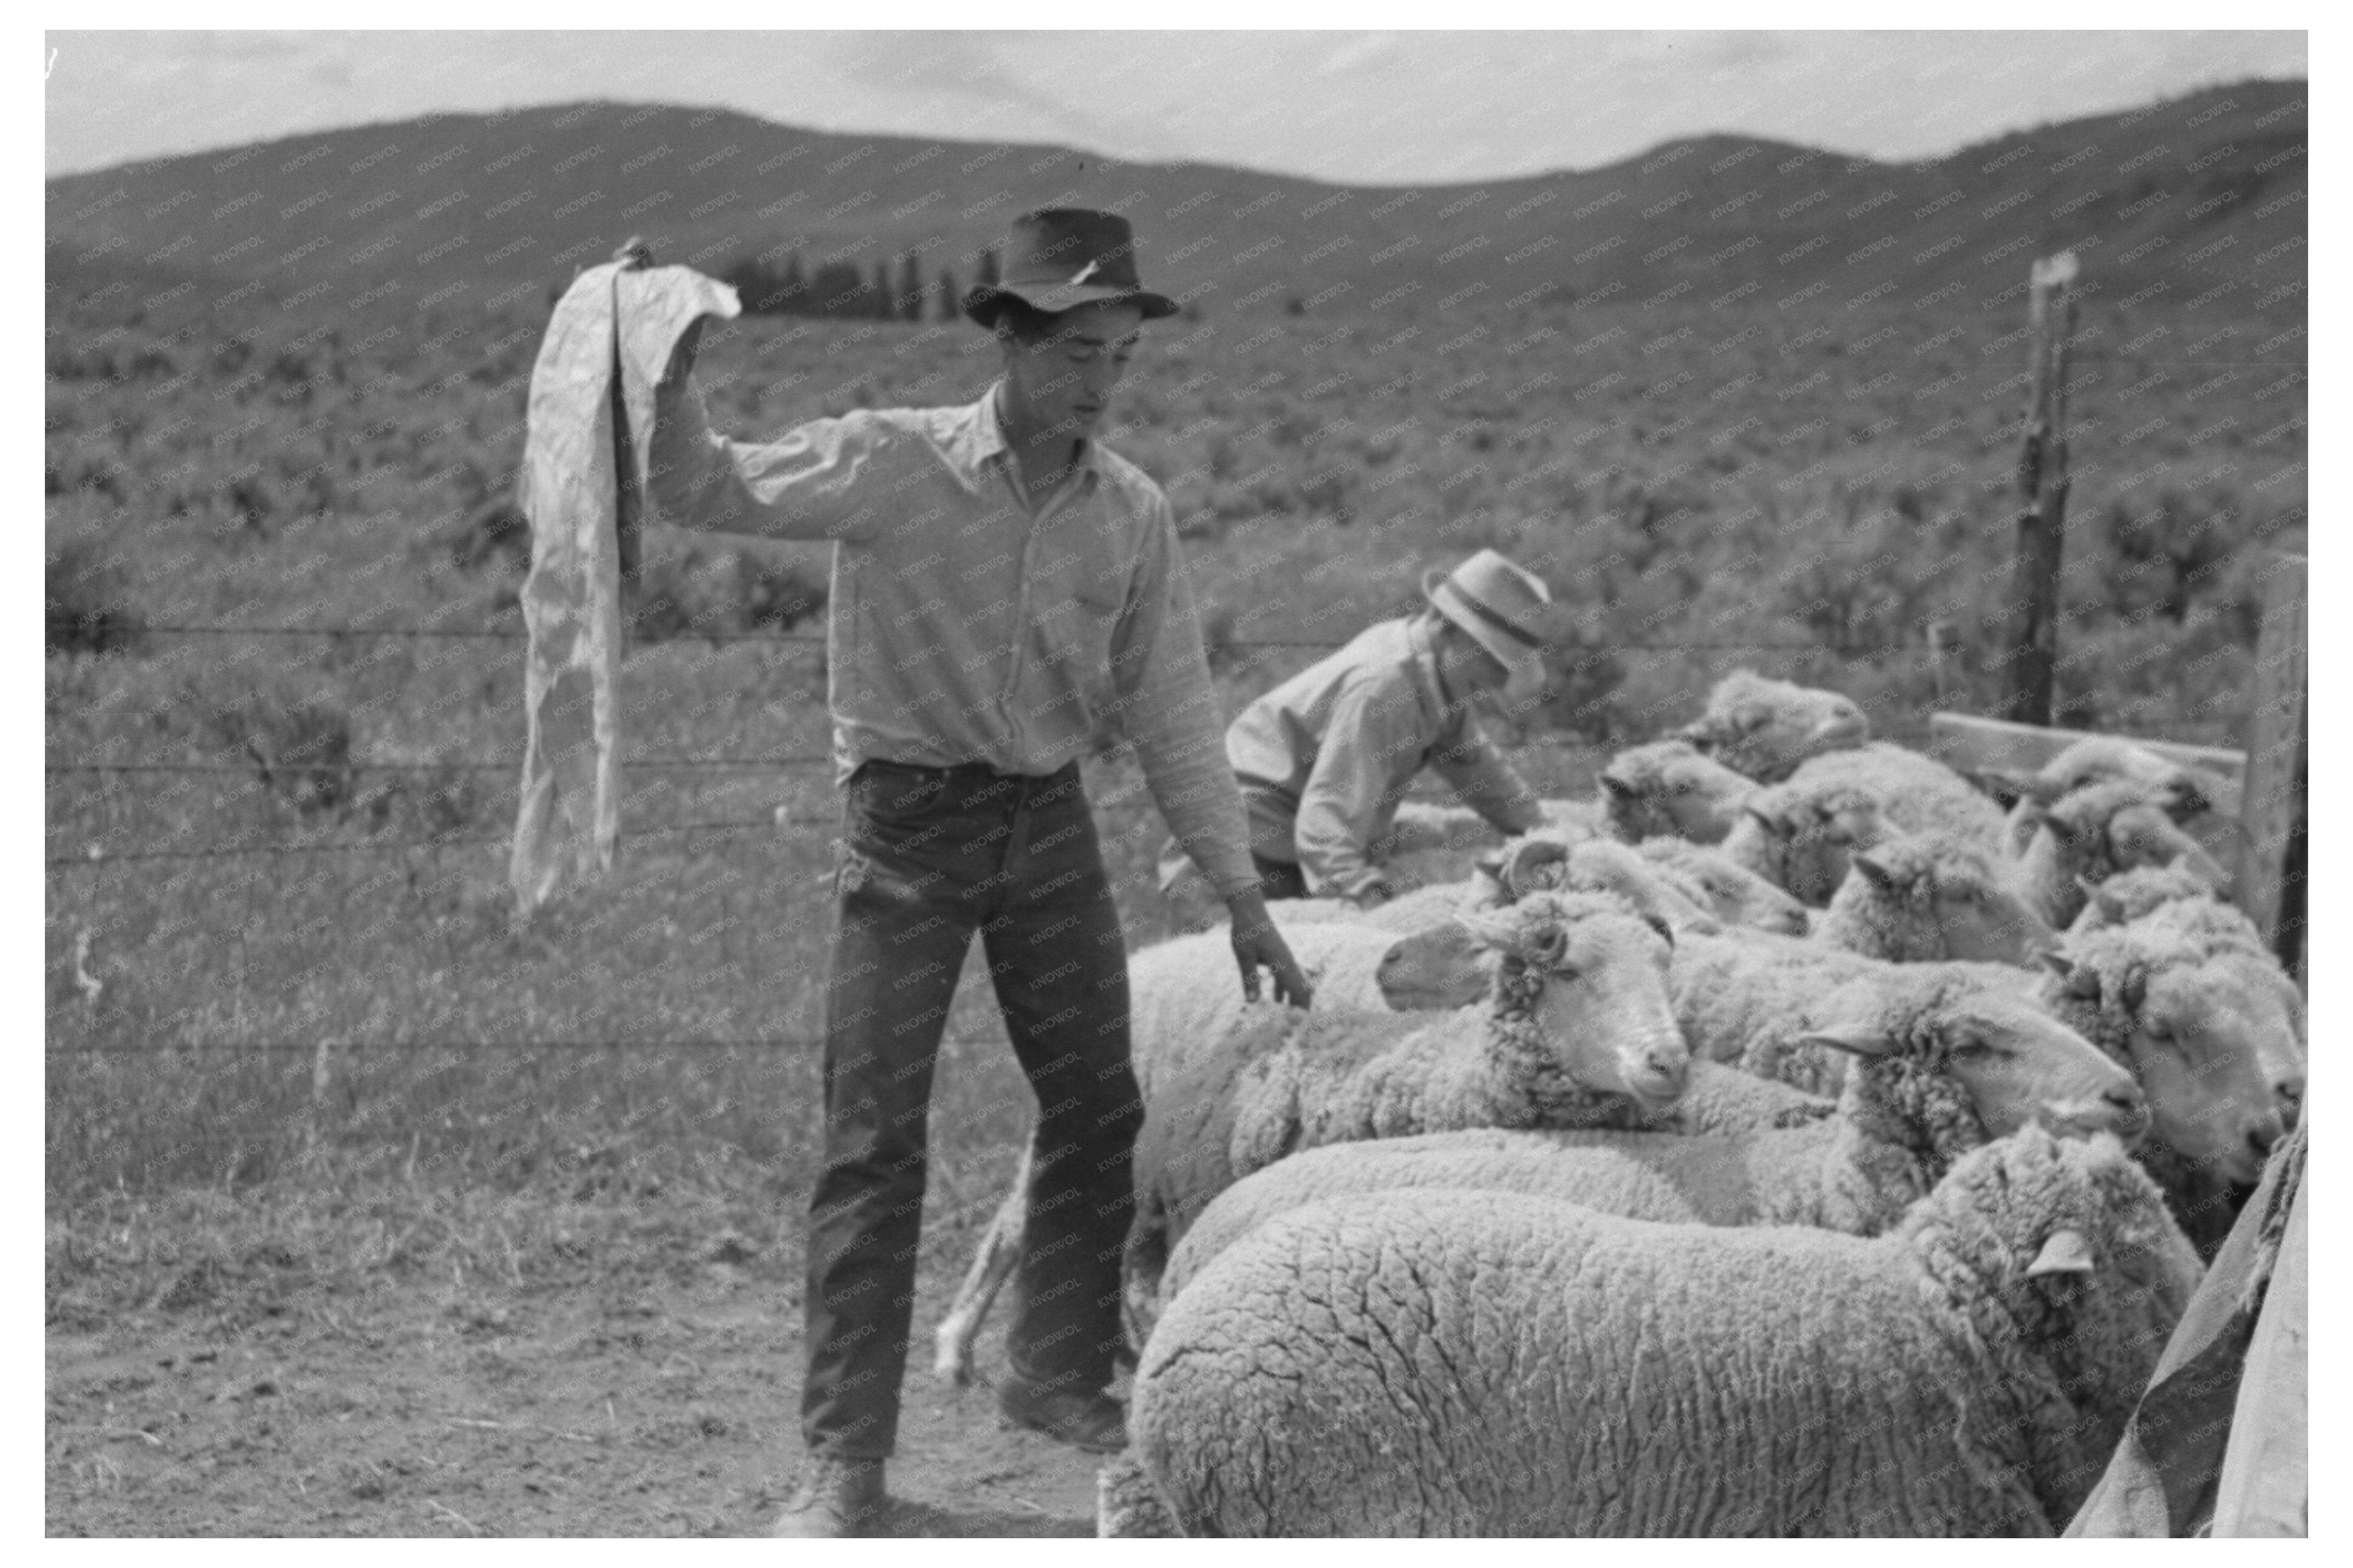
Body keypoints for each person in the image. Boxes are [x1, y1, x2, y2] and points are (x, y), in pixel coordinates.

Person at [631, 209, 1312, 1537]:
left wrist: (1243, 897)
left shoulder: (1132, 512)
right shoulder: (891, 462)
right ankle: (845, 1461)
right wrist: (668, 371)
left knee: (1099, 1107)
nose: (1100, 385)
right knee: (874, 1141)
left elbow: (1172, 704)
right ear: (1007, 337)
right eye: (1074, 353)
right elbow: (700, 488)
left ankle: (1049, 1370)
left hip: (1046, 828)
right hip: (906, 833)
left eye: (1119, 357)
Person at [1216, 549, 1559, 904]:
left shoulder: (1440, 676)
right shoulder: (1386, 689)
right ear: (1448, 627)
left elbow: (1482, 774)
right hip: (1242, 852)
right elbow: (1328, 820)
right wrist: (1366, 897)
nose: (1500, 679)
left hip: (1284, 845)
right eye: (1492, 655)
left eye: (1507, 664)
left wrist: (1550, 836)